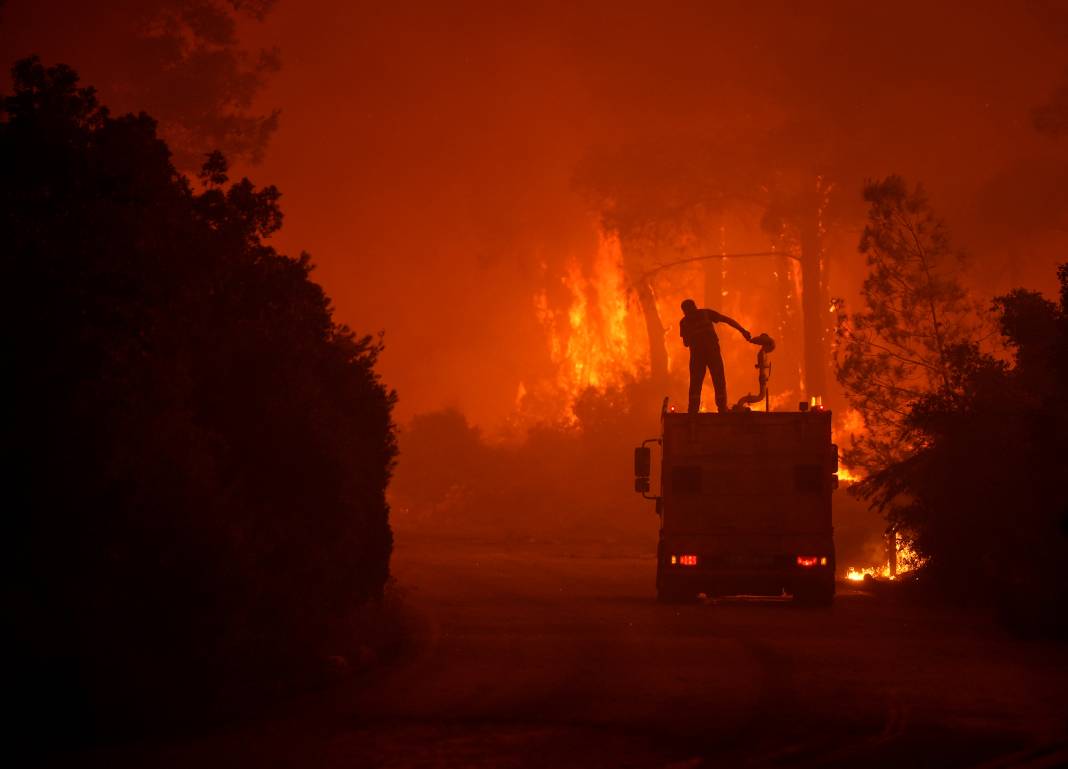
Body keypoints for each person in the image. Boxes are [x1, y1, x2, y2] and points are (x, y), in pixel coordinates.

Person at [679, 298, 751, 413]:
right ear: (695, 306)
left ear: (684, 311)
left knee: (696, 383)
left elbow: (686, 343)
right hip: (711, 352)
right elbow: (727, 320)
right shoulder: (705, 313)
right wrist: (742, 331)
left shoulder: (684, 322)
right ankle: (721, 408)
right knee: (718, 380)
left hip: (697, 356)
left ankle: (693, 411)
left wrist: (694, 335)